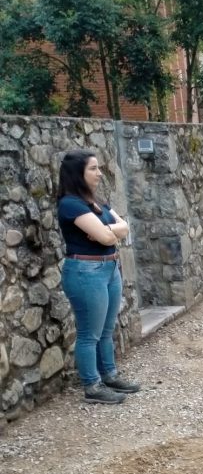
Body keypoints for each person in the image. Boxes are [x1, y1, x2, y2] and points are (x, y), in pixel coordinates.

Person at [57, 151, 141, 404]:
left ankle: (109, 375)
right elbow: (106, 238)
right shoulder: (70, 204)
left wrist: (106, 230)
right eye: (93, 168)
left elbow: (124, 227)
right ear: (78, 174)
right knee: (89, 334)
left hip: (109, 268)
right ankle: (92, 386)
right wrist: (108, 232)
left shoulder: (96, 202)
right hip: (86, 271)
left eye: (99, 168)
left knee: (106, 329)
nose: (99, 173)